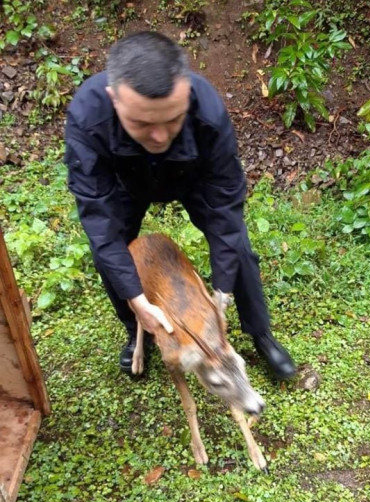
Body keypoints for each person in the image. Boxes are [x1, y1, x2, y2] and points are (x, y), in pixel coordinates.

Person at [64, 31, 296, 380]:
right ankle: (136, 329)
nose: (159, 136)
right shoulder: (88, 114)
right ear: (114, 99)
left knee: (238, 248)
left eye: (172, 120)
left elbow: (225, 202)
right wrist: (139, 301)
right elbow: (100, 218)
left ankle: (260, 332)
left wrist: (222, 289)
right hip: (125, 183)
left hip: (192, 177)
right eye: (142, 123)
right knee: (110, 256)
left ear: (186, 94)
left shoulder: (207, 109)